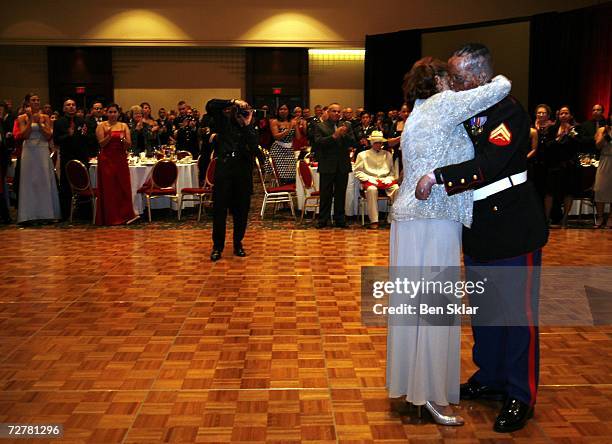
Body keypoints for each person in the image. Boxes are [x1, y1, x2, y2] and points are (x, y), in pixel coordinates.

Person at [415, 43, 548, 433]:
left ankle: (520, 394)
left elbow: (491, 163)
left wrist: (439, 177)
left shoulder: (507, 110)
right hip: (478, 227)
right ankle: (489, 376)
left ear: (479, 76)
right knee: (486, 313)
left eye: (457, 78)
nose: (451, 85)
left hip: (511, 227)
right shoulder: (465, 108)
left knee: (518, 317)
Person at [387, 56, 511, 426]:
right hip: (433, 218)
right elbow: (501, 86)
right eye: (451, 76)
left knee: (413, 305)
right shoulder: (443, 104)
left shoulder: (416, 114)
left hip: (410, 220)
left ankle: (414, 386)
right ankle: (429, 394)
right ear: (439, 80)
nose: (457, 83)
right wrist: (484, 73)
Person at [206, 98, 259, 261]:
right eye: (241, 110)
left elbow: (255, 147)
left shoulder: (250, 128)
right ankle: (217, 247)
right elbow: (211, 105)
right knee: (220, 210)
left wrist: (247, 123)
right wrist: (233, 101)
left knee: (241, 211)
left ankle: (238, 244)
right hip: (224, 169)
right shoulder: (224, 122)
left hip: (242, 171)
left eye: (247, 110)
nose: (242, 113)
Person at [16, 93, 61, 223]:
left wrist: (40, 124)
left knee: (44, 180)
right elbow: (24, 135)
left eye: (38, 100)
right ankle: (29, 215)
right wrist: (30, 119)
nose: (36, 102)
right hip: (29, 150)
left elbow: (48, 136)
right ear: (28, 103)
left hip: (42, 149)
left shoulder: (45, 117)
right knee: (29, 181)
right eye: (33, 100)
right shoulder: (22, 118)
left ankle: (46, 214)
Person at [313, 103, 356, 228]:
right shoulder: (320, 126)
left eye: (338, 111)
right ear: (328, 112)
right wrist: (334, 136)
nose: (337, 113)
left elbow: (353, 142)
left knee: (340, 194)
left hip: (342, 165)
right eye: (334, 111)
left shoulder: (347, 126)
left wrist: (344, 135)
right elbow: (318, 143)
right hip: (327, 165)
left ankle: (340, 220)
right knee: (325, 194)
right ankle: (323, 220)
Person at [95, 103, 138, 226]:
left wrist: (123, 140)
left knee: (123, 187)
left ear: (118, 113)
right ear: (106, 113)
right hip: (106, 159)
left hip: (120, 159)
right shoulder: (101, 126)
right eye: (110, 112)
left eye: (115, 112)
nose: (113, 114)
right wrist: (109, 136)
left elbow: (128, 145)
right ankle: (110, 217)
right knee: (109, 188)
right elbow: (101, 144)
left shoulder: (123, 125)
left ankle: (125, 216)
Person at [53, 98, 91, 218]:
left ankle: (84, 212)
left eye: (73, 105)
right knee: (66, 186)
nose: (71, 107)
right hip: (67, 157)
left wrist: (85, 135)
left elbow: (88, 139)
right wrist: (67, 135)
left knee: (84, 184)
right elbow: (56, 140)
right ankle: (65, 213)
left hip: (81, 156)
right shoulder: (59, 122)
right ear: (64, 108)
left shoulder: (82, 121)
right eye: (68, 105)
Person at [353, 130, 399, 228]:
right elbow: (357, 171)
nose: (379, 145)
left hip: (385, 179)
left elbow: (392, 172)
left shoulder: (388, 154)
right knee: (372, 190)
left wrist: (390, 178)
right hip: (370, 180)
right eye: (376, 143)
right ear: (372, 143)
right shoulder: (362, 155)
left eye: (380, 143)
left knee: (397, 189)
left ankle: (392, 219)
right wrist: (368, 178)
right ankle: (374, 220)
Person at [269, 104, 298, 183]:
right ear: (278, 111)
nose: (283, 111)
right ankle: (279, 191)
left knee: (292, 175)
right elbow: (276, 136)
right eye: (281, 109)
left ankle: (290, 193)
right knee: (281, 176)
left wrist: (296, 126)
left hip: (289, 150)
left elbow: (298, 137)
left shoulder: (292, 122)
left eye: (285, 109)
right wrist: (288, 129)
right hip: (278, 149)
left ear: (288, 111)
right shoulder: (274, 121)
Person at [594, 123, 612, 227]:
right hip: (605, 160)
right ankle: (600, 217)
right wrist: (607, 134)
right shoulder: (602, 129)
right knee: (600, 189)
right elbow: (598, 145)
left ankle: (610, 217)